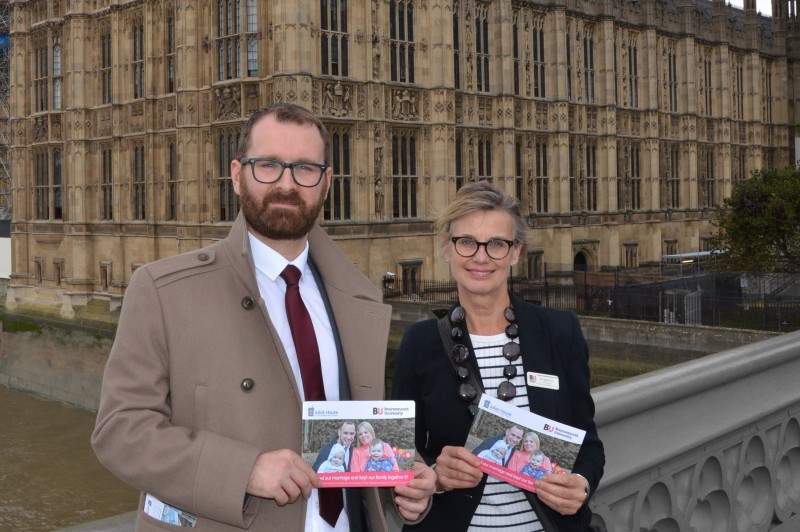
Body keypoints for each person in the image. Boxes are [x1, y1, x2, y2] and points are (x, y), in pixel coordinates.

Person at [92, 103, 435, 531]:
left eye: (305, 169)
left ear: (326, 183)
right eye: (268, 165)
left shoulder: (354, 296)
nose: (287, 184)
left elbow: (351, 423)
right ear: (237, 175)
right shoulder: (163, 290)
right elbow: (119, 431)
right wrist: (244, 471)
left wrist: (411, 474)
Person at [392, 181, 604, 531]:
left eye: (496, 244)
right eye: (466, 242)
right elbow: (402, 460)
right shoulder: (420, 343)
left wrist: (580, 483)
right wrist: (433, 476)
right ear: (447, 249)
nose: (480, 256)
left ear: (516, 252)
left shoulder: (559, 331)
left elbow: (588, 443)